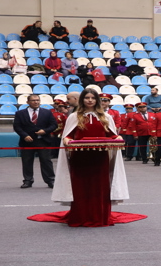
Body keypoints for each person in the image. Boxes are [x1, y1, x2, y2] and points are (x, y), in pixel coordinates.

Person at [51, 88, 129, 227]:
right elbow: (68, 134)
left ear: (97, 100)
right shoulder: (74, 117)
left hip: (100, 157)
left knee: (100, 187)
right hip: (80, 157)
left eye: (93, 98)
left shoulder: (106, 117)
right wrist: (67, 139)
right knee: (81, 186)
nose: (90, 100)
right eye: (87, 98)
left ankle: (101, 216)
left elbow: (111, 134)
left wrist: (117, 136)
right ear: (82, 100)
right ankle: (80, 216)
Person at [13, 94, 58, 189]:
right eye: (33, 100)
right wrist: (25, 135)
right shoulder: (20, 113)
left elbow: (54, 125)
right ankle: (28, 181)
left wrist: (45, 131)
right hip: (27, 141)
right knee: (27, 161)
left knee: (46, 161)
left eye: (37, 100)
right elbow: (17, 126)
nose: (36, 102)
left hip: (43, 141)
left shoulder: (47, 112)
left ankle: (50, 180)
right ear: (27, 102)